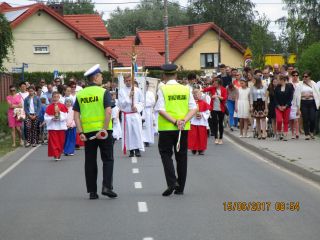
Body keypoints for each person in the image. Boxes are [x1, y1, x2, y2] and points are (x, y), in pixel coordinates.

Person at [73, 64, 117, 200]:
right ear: (96, 77)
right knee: (108, 159)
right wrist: (103, 129)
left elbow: (76, 115)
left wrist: (80, 132)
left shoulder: (81, 94)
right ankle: (106, 187)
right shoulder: (103, 92)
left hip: (88, 133)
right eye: (101, 75)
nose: (102, 77)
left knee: (90, 161)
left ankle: (92, 192)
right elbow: (108, 111)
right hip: (104, 132)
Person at [154, 63, 197, 196]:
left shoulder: (163, 89)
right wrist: (183, 121)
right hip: (183, 128)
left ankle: (172, 182)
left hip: (167, 128)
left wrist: (174, 121)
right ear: (176, 75)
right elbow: (194, 108)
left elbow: (160, 109)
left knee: (166, 155)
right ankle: (180, 188)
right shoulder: (186, 89)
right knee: (182, 156)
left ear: (164, 76)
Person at [118, 74, 145, 157]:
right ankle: (131, 150)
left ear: (132, 80)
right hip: (126, 115)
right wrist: (129, 97)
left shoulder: (137, 90)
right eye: (126, 81)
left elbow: (142, 102)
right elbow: (121, 104)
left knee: (137, 132)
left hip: (135, 114)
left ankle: (137, 149)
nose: (128, 82)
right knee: (128, 132)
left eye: (129, 80)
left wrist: (137, 108)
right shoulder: (121, 91)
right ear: (124, 81)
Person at [295, 71, 320, 140]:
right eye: (303, 76)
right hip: (303, 102)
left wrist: (311, 95)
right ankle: (307, 134)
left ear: (309, 77)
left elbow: (317, 94)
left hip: (312, 102)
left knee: (312, 118)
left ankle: (311, 131)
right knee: (305, 118)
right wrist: (298, 106)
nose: (304, 78)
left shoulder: (313, 84)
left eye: (306, 76)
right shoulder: (300, 84)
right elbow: (297, 95)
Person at [202, 78, 227, 144]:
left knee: (220, 124)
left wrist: (218, 96)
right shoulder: (212, 88)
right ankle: (216, 138)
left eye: (215, 83)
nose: (213, 84)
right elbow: (204, 90)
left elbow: (224, 98)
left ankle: (221, 138)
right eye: (213, 83)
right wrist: (197, 91)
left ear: (219, 83)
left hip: (221, 109)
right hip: (213, 108)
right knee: (215, 123)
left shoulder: (224, 89)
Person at [44, 92, 68, 161]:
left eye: (57, 97)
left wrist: (60, 114)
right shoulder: (49, 107)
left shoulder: (62, 106)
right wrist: (52, 118)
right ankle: (56, 154)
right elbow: (46, 117)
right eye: (54, 97)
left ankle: (59, 153)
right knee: (54, 142)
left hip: (61, 126)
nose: (55, 98)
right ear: (52, 97)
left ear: (59, 97)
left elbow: (66, 116)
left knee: (61, 141)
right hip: (53, 127)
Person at [188, 88, 210, 155]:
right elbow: (188, 111)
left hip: (201, 122)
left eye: (199, 94)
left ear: (201, 95)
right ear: (193, 95)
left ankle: (201, 149)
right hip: (193, 121)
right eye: (195, 94)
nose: (197, 96)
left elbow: (207, 112)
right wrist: (194, 114)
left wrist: (202, 115)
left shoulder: (204, 103)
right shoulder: (191, 103)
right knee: (193, 136)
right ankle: (194, 148)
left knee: (202, 136)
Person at [274, 75, 294, 141]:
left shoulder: (289, 87)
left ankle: (285, 135)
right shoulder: (277, 87)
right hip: (278, 107)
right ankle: (279, 132)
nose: (277, 81)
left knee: (286, 121)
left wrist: (286, 105)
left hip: (287, 106)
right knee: (279, 120)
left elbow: (291, 97)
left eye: (278, 79)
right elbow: (275, 98)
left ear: (282, 80)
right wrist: (278, 106)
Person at [142, 81, 156, 147]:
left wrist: (146, 103)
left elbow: (153, 102)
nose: (146, 86)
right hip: (142, 110)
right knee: (142, 126)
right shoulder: (141, 92)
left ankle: (147, 140)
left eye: (147, 85)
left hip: (148, 111)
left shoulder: (150, 93)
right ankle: (142, 140)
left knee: (148, 126)